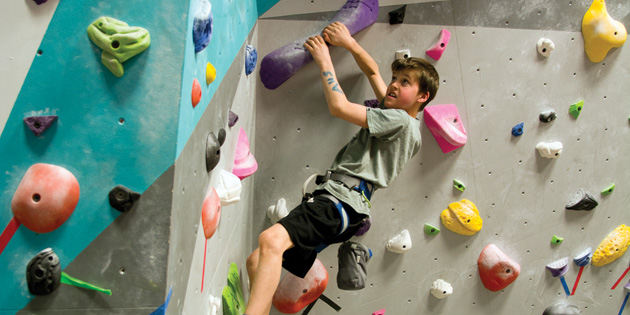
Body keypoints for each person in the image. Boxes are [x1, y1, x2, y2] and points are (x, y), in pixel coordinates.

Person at [244, 22, 439, 315]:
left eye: (405, 82)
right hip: (345, 207)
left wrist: (325, 58)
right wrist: (349, 43)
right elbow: (373, 71)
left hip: (338, 202)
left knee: (271, 241)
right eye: (395, 79)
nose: (394, 85)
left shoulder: (399, 121)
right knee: (257, 261)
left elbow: (339, 106)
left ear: (423, 96)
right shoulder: (402, 122)